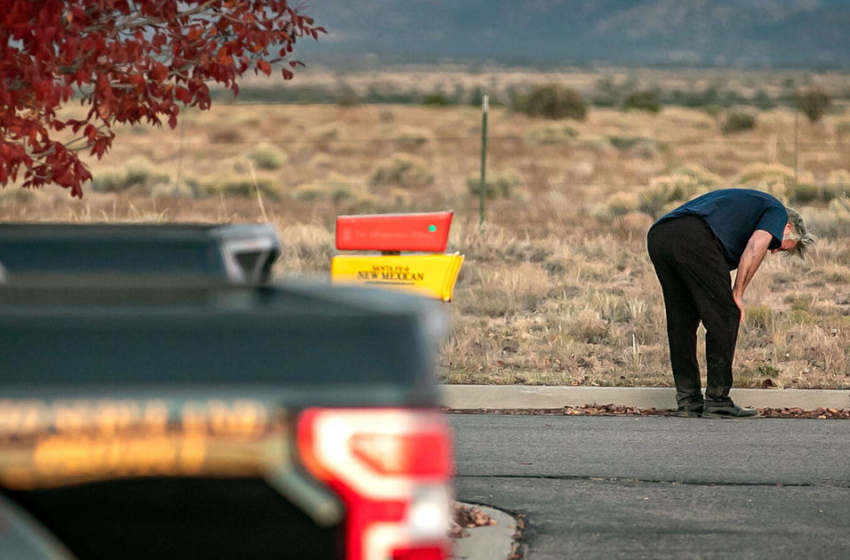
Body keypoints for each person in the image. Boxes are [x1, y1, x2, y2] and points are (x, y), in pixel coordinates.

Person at [646, 188, 813, 418]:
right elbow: (756, 246)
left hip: (660, 235)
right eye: (779, 245)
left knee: (682, 321)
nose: (773, 250)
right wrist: (738, 292)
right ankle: (717, 401)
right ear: (788, 228)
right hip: (693, 236)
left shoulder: (749, 209)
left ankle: (688, 402)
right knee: (726, 315)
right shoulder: (777, 212)